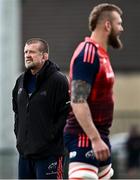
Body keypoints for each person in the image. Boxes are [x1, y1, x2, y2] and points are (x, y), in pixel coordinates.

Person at [64, 3, 124, 179]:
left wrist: (100, 138)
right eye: (119, 23)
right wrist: (95, 139)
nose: (121, 28)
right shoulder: (87, 54)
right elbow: (77, 100)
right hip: (85, 137)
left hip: (100, 136)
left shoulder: (102, 54)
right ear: (107, 25)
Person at [12, 38, 70, 179]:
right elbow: (17, 113)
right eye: (25, 52)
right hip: (25, 156)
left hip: (49, 155)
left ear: (44, 56)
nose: (27, 55)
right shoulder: (20, 82)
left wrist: (48, 138)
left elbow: (65, 116)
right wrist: (20, 138)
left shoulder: (58, 81)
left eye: (32, 52)